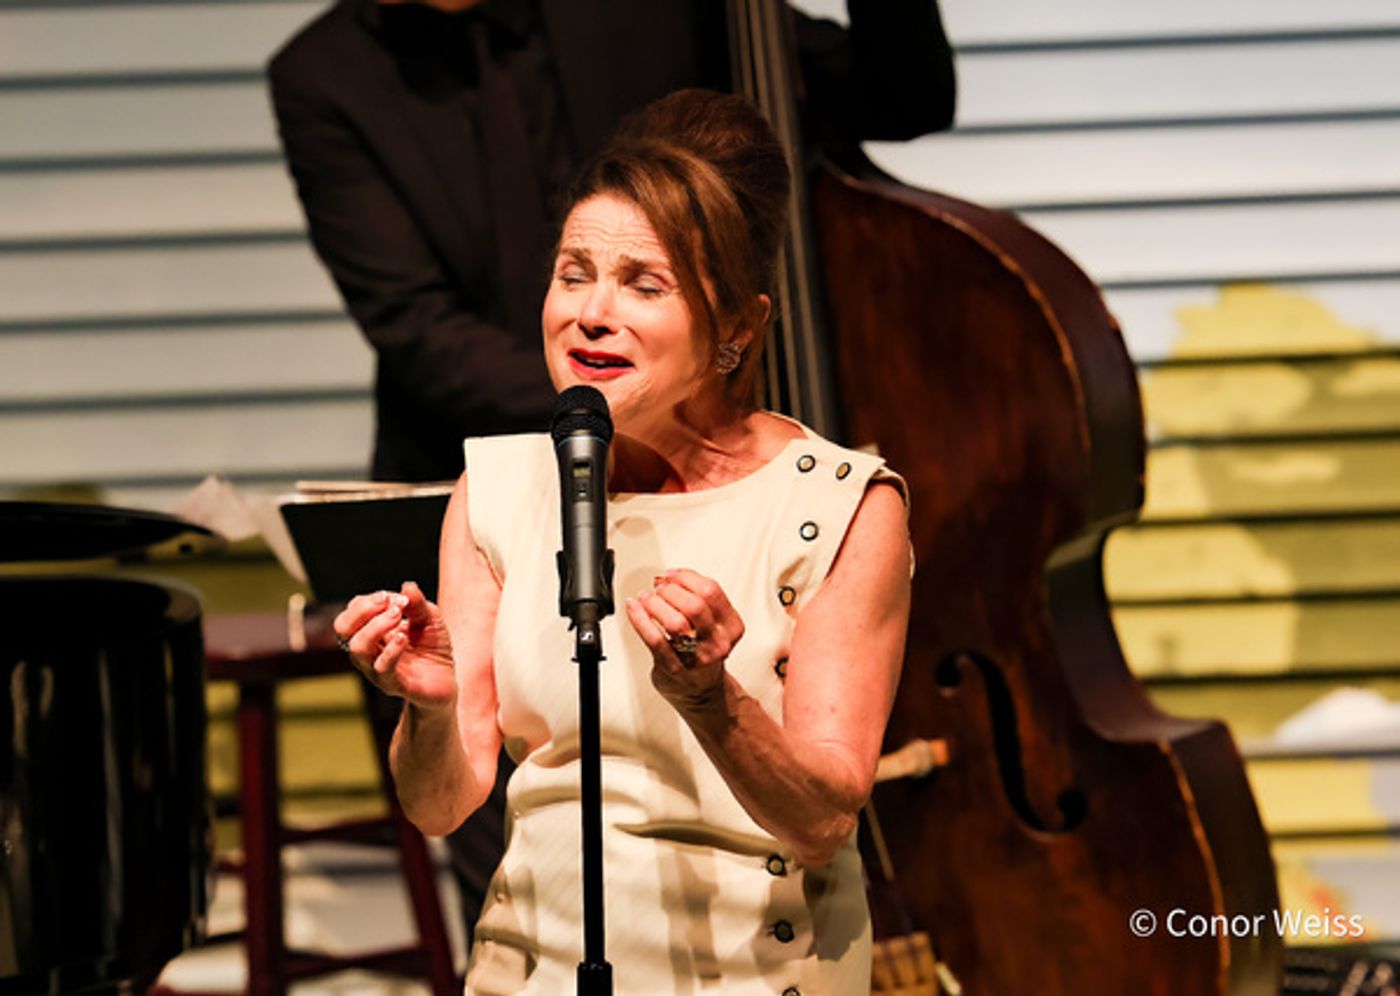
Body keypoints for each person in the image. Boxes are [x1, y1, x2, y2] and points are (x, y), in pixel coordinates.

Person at [270, 0, 953, 945]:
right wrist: (431, 710)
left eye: (643, 282)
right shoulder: (494, 496)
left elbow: (899, 92)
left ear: (740, 327)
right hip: (514, 458)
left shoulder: (841, 506)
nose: (592, 311)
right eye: (572, 274)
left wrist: (716, 697)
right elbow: (442, 802)